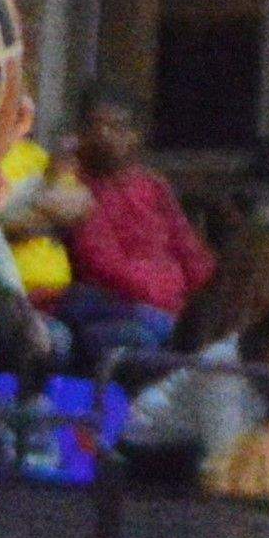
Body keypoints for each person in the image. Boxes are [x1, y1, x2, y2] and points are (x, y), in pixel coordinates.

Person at [53, 96, 206, 354]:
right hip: (111, 304)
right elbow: (101, 263)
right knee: (151, 334)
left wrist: (206, 297)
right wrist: (166, 295)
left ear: (134, 136)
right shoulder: (76, 189)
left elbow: (189, 251)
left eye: (116, 127)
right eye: (95, 126)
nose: (104, 135)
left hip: (167, 306)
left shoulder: (154, 186)